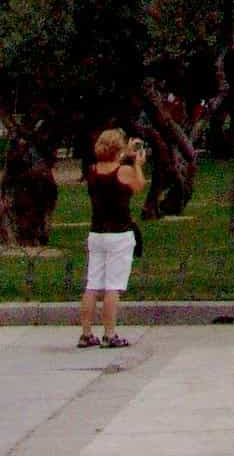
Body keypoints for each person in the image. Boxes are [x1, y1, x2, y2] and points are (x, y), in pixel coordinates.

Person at [78, 129, 144, 349]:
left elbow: (111, 161)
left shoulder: (93, 170)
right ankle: (109, 334)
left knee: (92, 284)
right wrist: (137, 164)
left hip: (96, 232)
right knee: (113, 286)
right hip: (119, 233)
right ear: (118, 149)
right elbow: (138, 186)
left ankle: (86, 333)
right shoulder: (123, 171)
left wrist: (126, 153)